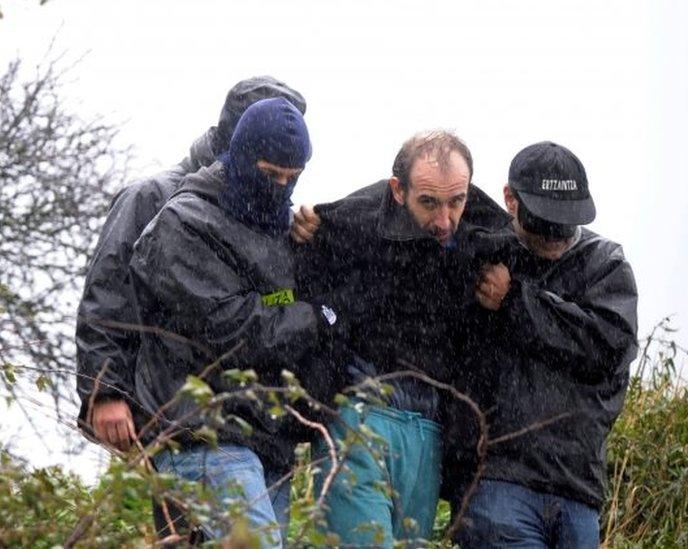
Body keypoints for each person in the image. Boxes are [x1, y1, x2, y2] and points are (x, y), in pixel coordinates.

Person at [129, 97, 333, 546]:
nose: (279, 187)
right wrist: (316, 316)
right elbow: (233, 329)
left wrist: (316, 251)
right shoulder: (184, 224)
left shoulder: (283, 229)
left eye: (291, 178)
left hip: (268, 438)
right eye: (269, 173)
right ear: (241, 157)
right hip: (202, 433)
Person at [291, 130, 509, 546]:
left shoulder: (490, 241)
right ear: (398, 189)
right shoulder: (355, 224)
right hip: (361, 413)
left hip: (429, 432)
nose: (444, 220)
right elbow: (297, 287)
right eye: (428, 202)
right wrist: (308, 232)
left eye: (456, 201)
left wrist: (510, 295)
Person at [75, 77, 306, 451]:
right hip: (162, 412)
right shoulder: (155, 197)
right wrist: (105, 392)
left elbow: (269, 312)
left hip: (245, 425)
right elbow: (107, 296)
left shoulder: (271, 212)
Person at [447, 142, 638, 548]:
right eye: (545, 222)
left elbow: (608, 348)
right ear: (510, 201)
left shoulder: (606, 264)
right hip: (500, 480)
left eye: (565, 223)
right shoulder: (485, 251)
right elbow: (414, 191)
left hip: (579, 489)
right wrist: (321, 223)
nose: (555, 236)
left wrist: (515, 301)